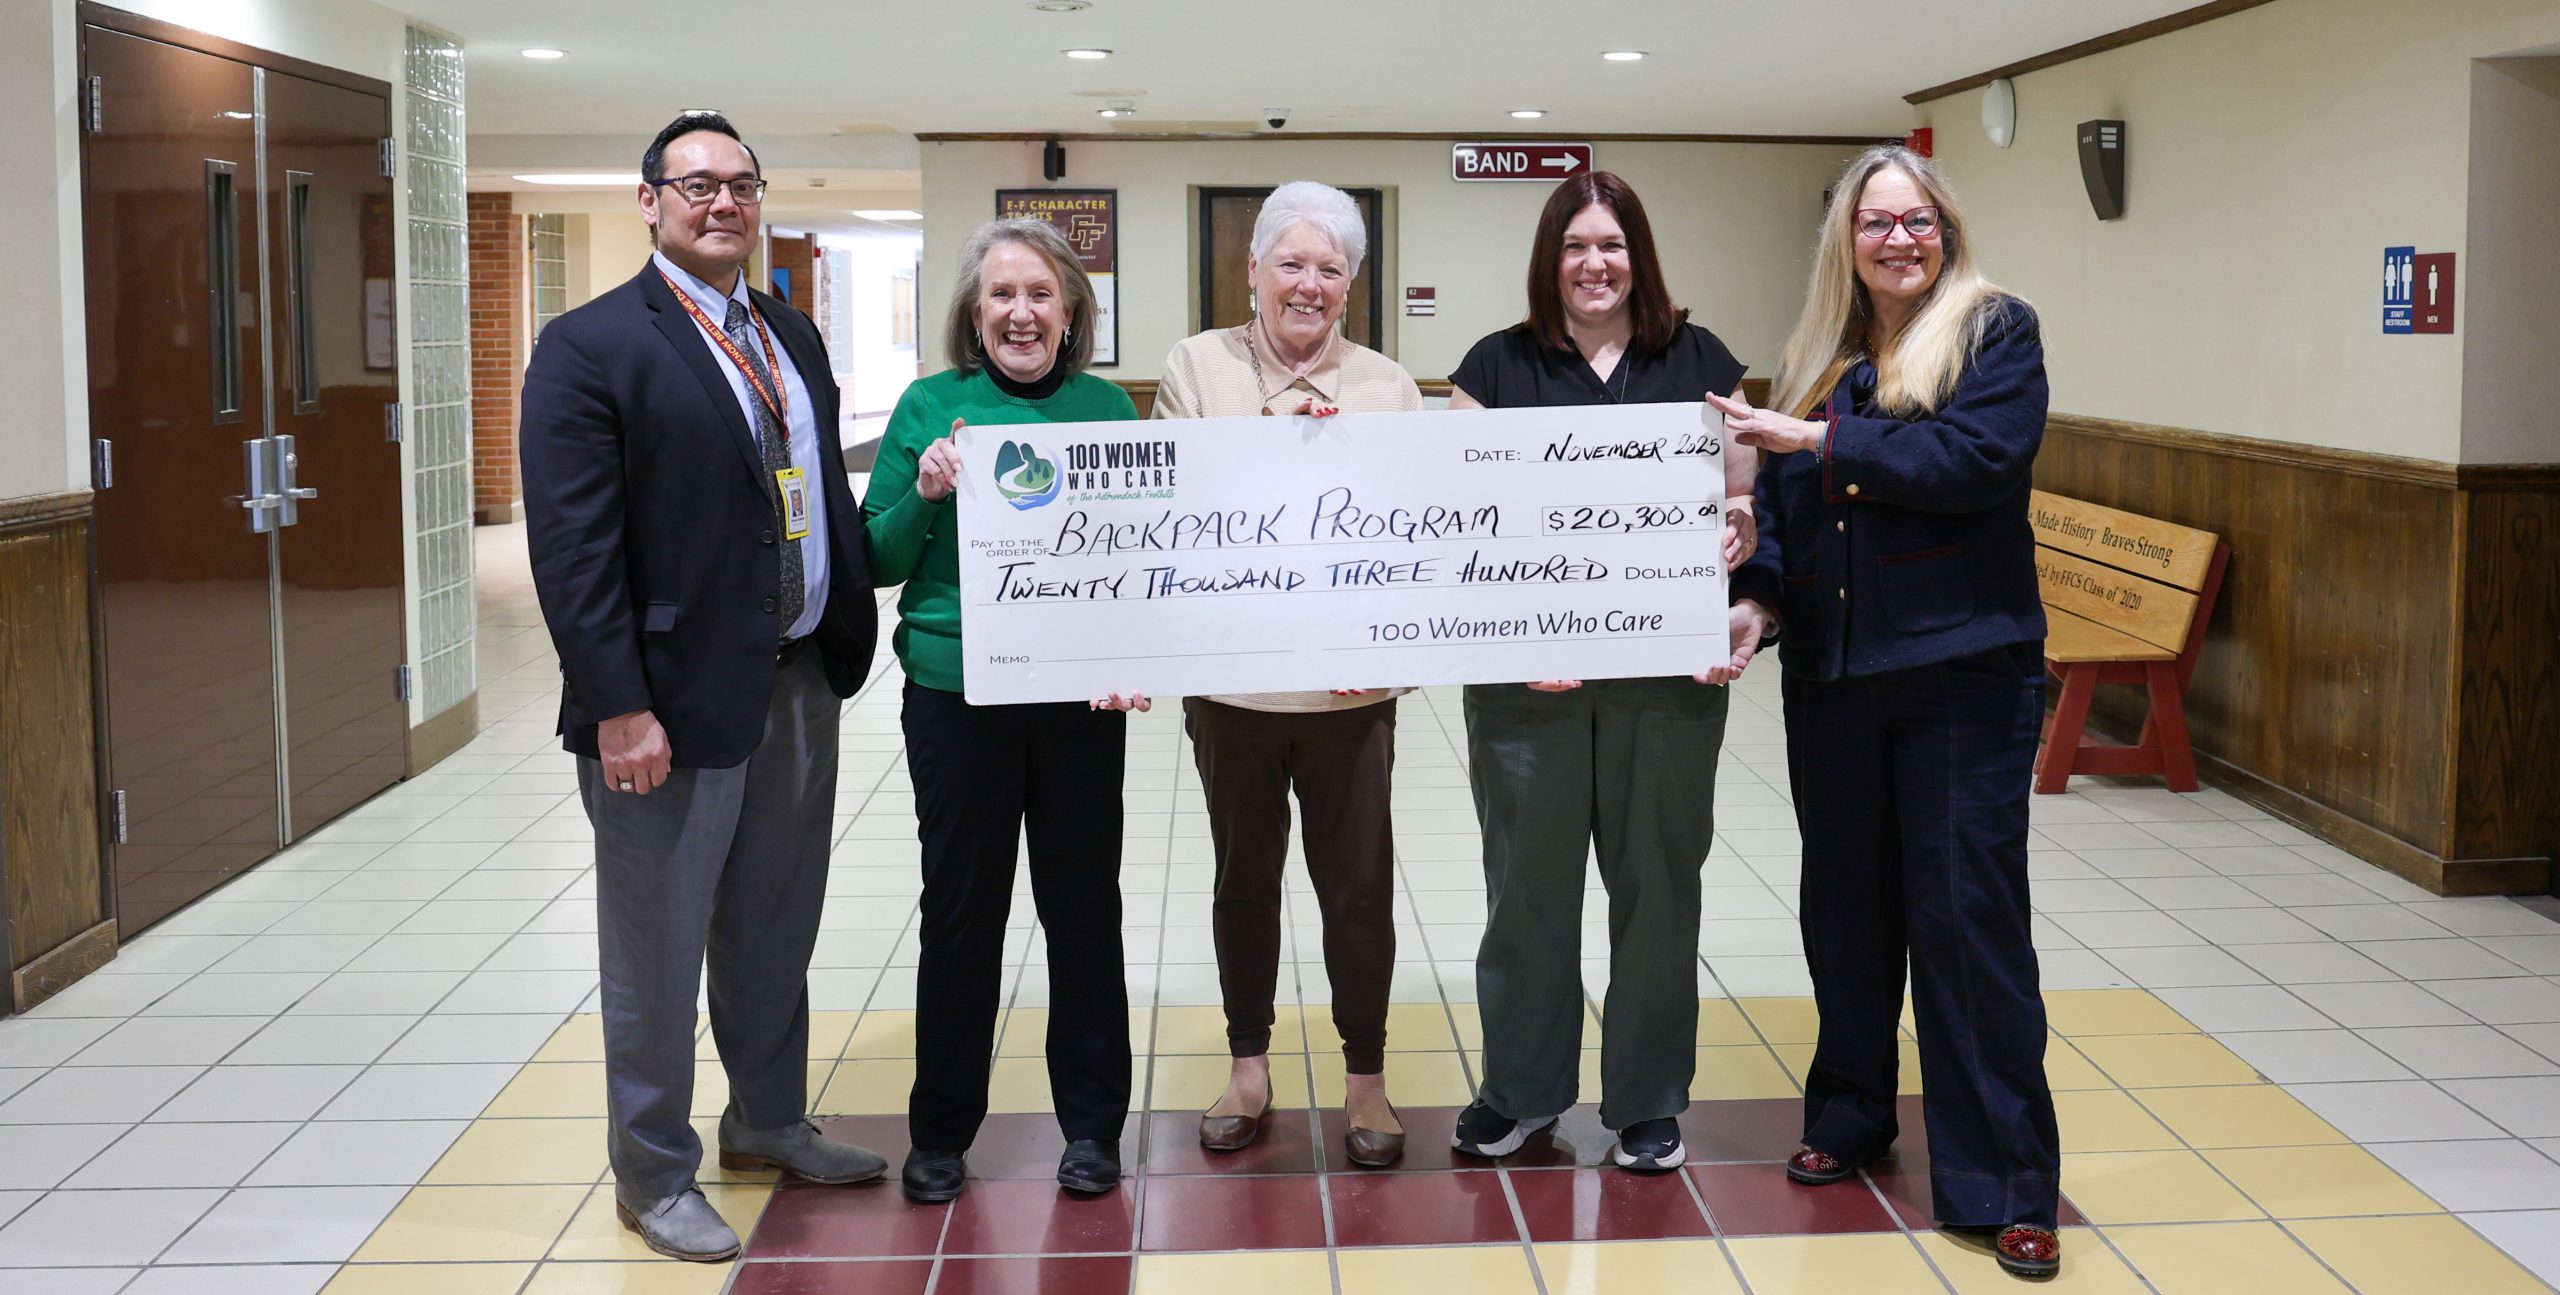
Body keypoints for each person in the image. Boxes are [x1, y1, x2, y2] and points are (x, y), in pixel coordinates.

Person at [518, 111, 884, 1263]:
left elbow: (812, 489)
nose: (723, 202)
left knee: (775, 923)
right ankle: (653, 1172)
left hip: (795, 680)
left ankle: (766, 1117)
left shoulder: (788, 333)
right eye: (696, 184)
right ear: (650, 201)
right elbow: (573, 549)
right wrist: (618, 704)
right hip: (664, 706)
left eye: (741, 183)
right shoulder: (588, 345)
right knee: (657, 950)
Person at [1721, 144, 2061, 1279]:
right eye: (1876, 223)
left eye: (1917, 221)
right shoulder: (1816, 352)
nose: (1899, 240)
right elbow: (1780, 509)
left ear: (1946, 229)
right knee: (1847, 913)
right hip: (1835, 678)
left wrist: (1821, 442)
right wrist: (1759, 599)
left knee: (1967, 924)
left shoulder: (1995, 331)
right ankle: (1853, 1112)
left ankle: (2005, 1179)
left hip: (1961, 675)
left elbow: (1977, 458)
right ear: (1846, 241)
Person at [1443, 172, 1765, 1173]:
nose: (1594, 264)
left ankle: (1647, 1099)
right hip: (1524, 685)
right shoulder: (1493, 366)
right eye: (1575, 245)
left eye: (1612, 245)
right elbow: (1454, 523)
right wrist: (1513, 635)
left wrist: (1739, 531)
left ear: (1640, 258)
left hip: (1665, 685)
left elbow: (1743, 501)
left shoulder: (1702, 363)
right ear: (1550, 260)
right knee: (1526, 892)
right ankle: (1521, 1091)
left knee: (1659, 886)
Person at [864, 217, 1146, 1203]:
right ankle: (941, 1131)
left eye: (1039, 295)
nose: (1020, 313)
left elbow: (1147, 557)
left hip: (1077, 701)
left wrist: (1138, 654)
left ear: (1070, 313)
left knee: (1083, 909)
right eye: (1001, 295)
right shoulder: (929, 406)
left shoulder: (1108, 409)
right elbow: (876, 557)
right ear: (972, 311)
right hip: (958, 700)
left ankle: (1092, 1128)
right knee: (961, 912)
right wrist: (927, 491)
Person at [1152, 181, 1422, 1167]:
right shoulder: (1195, 366)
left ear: (1350, 285)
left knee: (1358, 889)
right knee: (1244, 881)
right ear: (1254, 271)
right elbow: (1183, 509)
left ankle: (1367, 1078)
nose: (1309, 284)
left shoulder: (1390, 385)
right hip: (1234, 688)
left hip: (1352, 692)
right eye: (1291, 264)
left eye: (1330, 269)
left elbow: (1419, 535)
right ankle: (1247, 1066)